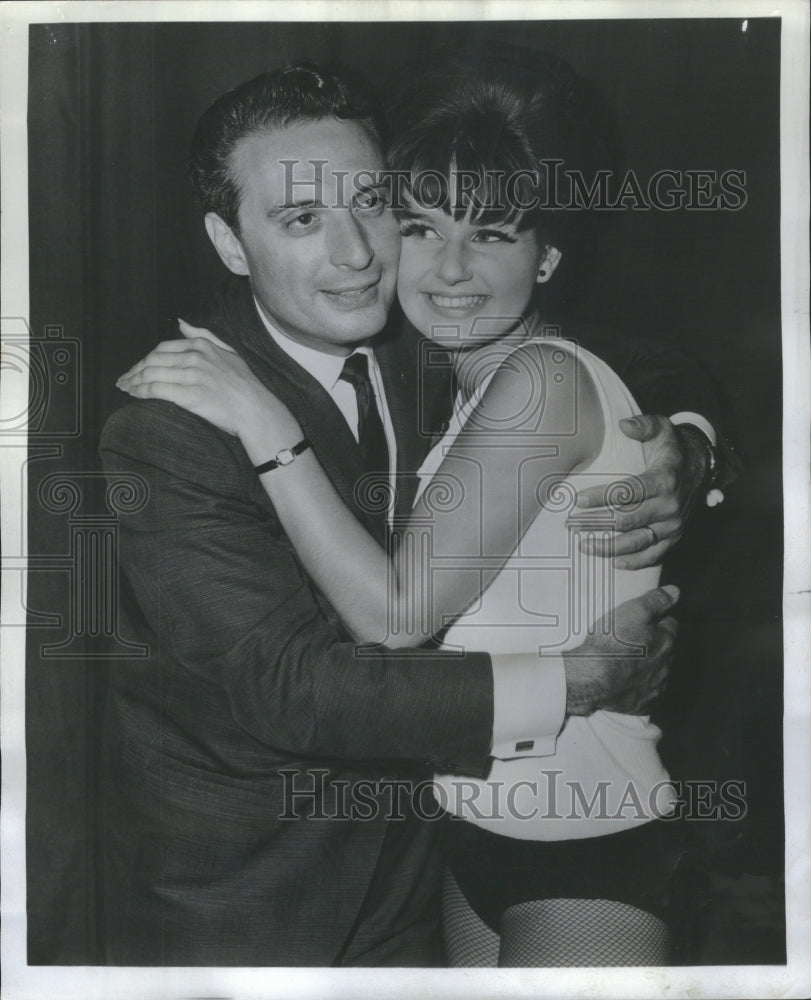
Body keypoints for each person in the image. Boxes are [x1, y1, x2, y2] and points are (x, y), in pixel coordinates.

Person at [104, 58, 723, 967]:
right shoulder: (174, 428)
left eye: (372, 206)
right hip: (264, 906)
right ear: (230, 243)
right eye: (303, 219)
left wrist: (694, 445)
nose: (357, 253)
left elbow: (627, 359)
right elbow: (292, 688)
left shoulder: (425, 336)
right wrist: (577, 678)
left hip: (515, 852)